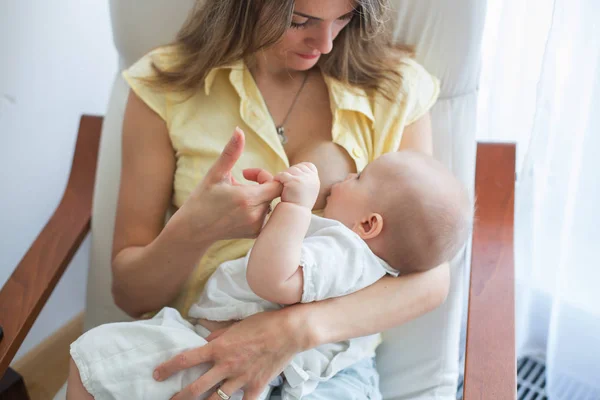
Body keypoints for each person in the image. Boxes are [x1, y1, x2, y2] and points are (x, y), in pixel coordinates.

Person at [67, 1, 452, 399]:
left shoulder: (394, 88)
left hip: (325, 368)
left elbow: (430, 278)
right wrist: (196, 228)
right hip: (195, 345)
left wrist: (291, 331)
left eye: (342, 19)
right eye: (299, 21)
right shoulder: (165, 86)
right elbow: (130, 296)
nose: (324, 43)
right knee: (93, 361)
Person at [67, 149, 472, 400]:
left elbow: (272, 281)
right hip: (245, 361)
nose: (347, 178)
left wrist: (295, 207)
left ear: (369, 225)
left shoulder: (345, 252)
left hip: (231, 356)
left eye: (359, 177)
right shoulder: (359, 261)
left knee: (96, 355)